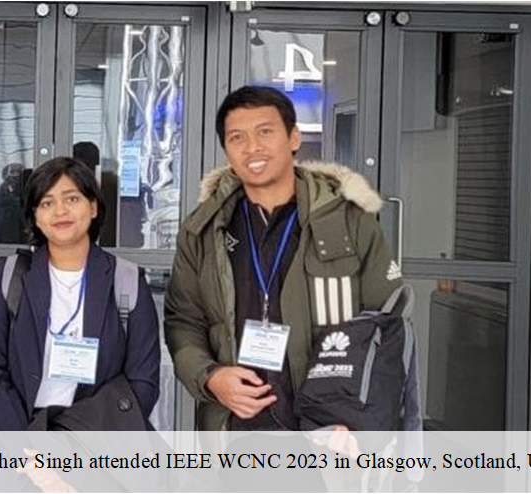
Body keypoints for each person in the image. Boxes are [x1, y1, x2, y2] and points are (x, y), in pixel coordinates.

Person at [164, 85, 402, 433]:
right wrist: (210, 377)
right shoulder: (203, 229)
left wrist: (360, 422)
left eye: (265, 132)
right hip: (235, 426)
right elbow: (183, 320)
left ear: (293, 138)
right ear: (227, 150)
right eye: (237, 137)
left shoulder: (348, 221)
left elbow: (387, 322)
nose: (252, 147)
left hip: (329, 428)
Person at [0, 156, 161, 433]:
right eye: (46, 203)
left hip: (95, 442)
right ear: (35, 216)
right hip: (17, 440)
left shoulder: (127, 280)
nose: (60, 211)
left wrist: (71, 447)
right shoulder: (9, 275)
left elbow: (143, 382)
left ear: (93, 206)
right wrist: (25, 445)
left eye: (72, 199)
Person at [0, 162, 28, 244]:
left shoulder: (27, 192)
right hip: (0, 233)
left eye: (18, 171)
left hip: (19, 233)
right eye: (12, 171)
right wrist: (4, 210)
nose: (15, 174)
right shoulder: (1, 191)